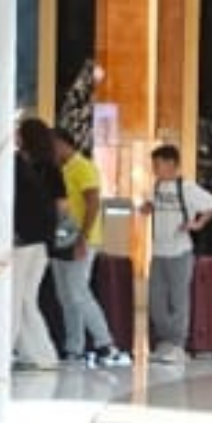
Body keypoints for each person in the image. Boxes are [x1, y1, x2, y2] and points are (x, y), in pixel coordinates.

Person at [51, 127, 129, 367]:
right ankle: (73, 348)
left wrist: (83, 237)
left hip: (82, 240)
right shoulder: (61, 169)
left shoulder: (82, 166)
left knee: (78, 293)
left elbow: (93, 202)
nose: (50, 150)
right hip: (62, 239)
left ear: (64, 143)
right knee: (66, 296)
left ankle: (106, 345)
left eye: (52, 145)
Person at [138, 142, 212, 362]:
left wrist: (198, 223)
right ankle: (165, 341)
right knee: (156, 300)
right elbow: (149, 205)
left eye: (158, 164)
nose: (155, 168)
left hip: (180, 252)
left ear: (171, 164)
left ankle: (178, 344)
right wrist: (146, 208)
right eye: (153, 164)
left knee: (178, 300)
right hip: (158, 252)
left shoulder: (187, 187)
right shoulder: (156, 187)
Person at [11, 116, 62, 370]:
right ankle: (41, 354)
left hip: (22, 241)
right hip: (42, 242)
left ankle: (11, 349)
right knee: (27, 299)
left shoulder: (17, 166)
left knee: (16, 297)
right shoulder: (50, 167)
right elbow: (61, 208)